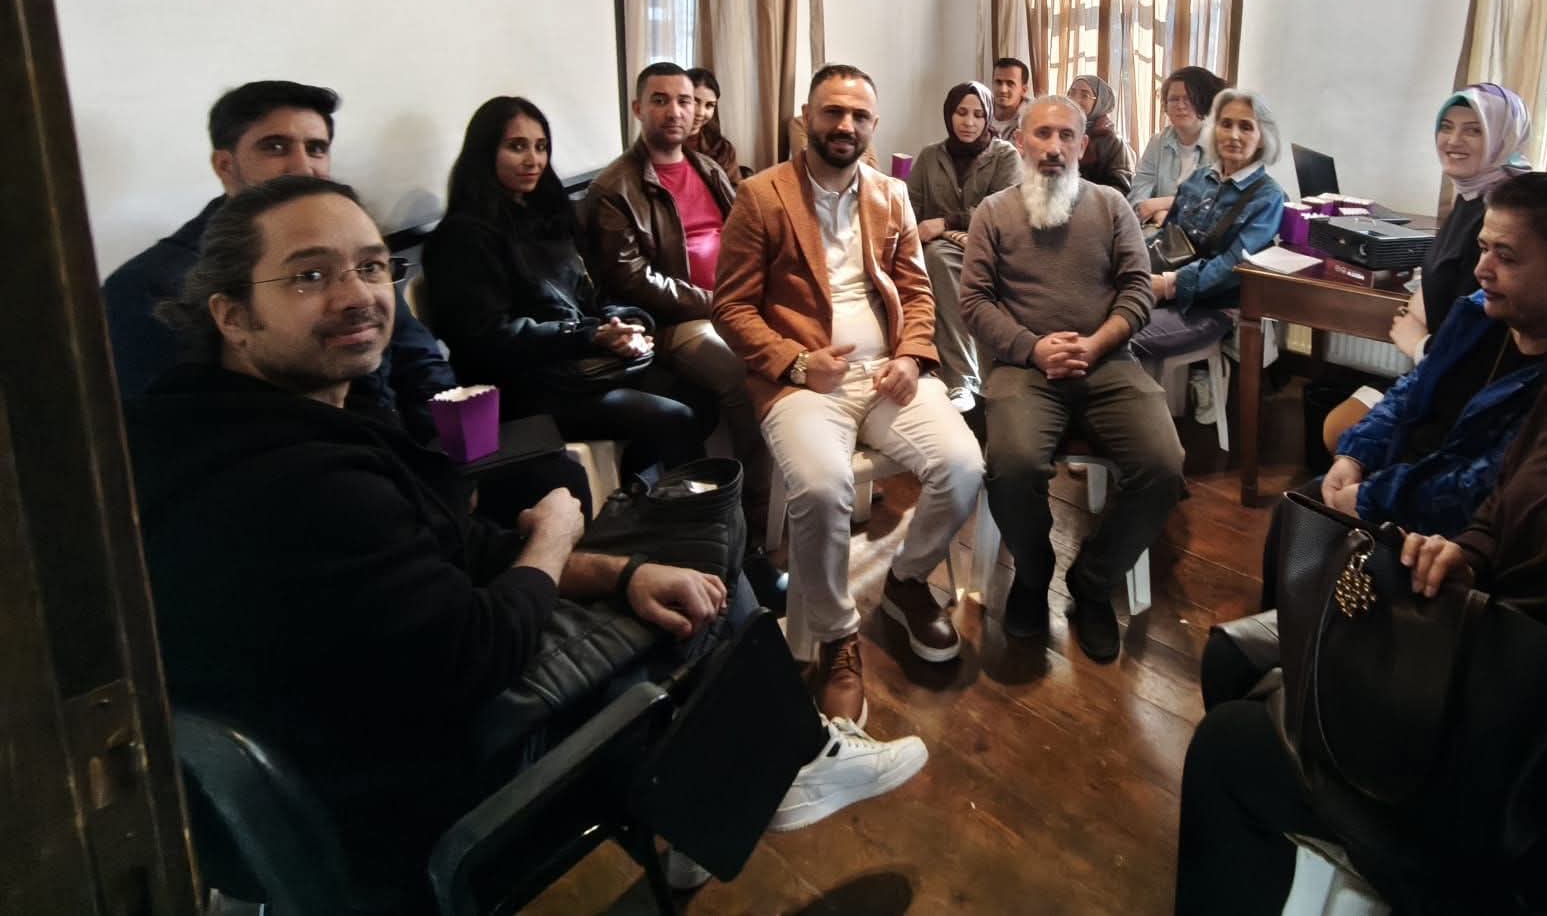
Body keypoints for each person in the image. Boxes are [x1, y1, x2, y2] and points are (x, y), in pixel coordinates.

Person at [127, 176, 928, 907]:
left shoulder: (218, 423)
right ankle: (779, 768)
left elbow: (443, 554)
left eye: (372, 267)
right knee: (716, 585)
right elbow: (475, 649)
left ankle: (723, 798)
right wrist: (552, 537)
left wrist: (618, 573)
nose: (358, 296)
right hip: (424, 799)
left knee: (684, 557)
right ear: (231, 314)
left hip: (355, 746)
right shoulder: (299, 480)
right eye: (310, 275)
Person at [1177, 152, 1547, 916]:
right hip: (1485, 701)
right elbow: (1493, 512)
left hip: (1539, 800)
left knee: (1231, 747)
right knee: (1252, 677)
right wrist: (1464, 553)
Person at [1208, 171, 1547, 700]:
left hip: (1439, 535)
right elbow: (1408, 391)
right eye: (1483, 248)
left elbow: (1480, 486)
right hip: (1390, 480)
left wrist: (1371, 498)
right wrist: (1354, 457)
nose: (1482, 269)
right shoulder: (1477, 315)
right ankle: (1293, 644)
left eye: (1507, 257)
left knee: (1313, 527)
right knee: (1295, 511)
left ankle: (1318, 671)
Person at [713, 65, 984, 724]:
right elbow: (731, 306)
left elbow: (917, 291)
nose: (845, 126)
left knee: (963, 466)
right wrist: (796, 362)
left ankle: (908, 580)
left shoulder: (891, 194)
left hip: (888, 373)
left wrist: (913, 356)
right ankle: (836, 637)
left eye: (859, 116)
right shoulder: (761, 196)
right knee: (821, 486)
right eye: (833, 112)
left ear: (874, 124)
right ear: (806, 117)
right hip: (804, 382)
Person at [961, 94, 1182, 662]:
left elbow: (1138, 290)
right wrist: (1032, 348)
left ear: (1084, 146)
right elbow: (975, 303)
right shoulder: (992, 213)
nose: (1054, 147)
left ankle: (1093, 580)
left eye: (1066, 136)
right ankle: (1033, 576)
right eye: (1042, 134)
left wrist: (1096, 343)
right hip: (1024, 370)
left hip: (1109, 363)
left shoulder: (1111, 206)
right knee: (1011, 465)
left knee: (1164, 465)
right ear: (1020, 141)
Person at [101, 80, 456, 428]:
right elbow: (175, 427)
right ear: (225, 165)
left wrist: (458, 442)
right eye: (275, 147)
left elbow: (419, 360)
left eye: (316, 148)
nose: (303, 167)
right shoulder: (147, 285)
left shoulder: (347, 244)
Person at [423, 96, 710, 483]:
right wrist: (589, 336)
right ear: (485, 151)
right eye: (517, 147)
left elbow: (593, 296)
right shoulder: (461, 237)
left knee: (702, 395)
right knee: (676, 418)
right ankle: (674, 513)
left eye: (541, 147)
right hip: (527, 389)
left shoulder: (546, 218)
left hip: (581, 369)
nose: (533, 160)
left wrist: (625, 323)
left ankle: (636, 488)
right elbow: (488, 339)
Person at [583, 62, 768, 534]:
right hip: (674, 323)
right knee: (743, 370)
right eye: (660, 100)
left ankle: (808, 480)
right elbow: (632, 280)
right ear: (638, 109)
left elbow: (749, 237)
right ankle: (753, 509)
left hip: (733, 301)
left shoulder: (707, 168)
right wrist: (714, 300)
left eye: (684, 101)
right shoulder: (615, 188)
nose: (675, 111)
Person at [1130, 88, 1287, 365]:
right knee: (1089, 316)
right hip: (1163, 288)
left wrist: (1167, 285)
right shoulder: (1200, 178)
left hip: (1214, 306)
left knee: (1121, 337)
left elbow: (1233, 266)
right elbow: (1167, 237)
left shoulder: (1269, 196)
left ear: (1263, 138)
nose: (1233, 135)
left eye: (1246, 127)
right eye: (1226, 124)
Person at [1390, 82, 1532, 362]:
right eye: (1446, 127)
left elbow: (1485, 332)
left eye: (1474, 130)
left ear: (1504, 137)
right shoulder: (1471, 195)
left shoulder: (1503, 212)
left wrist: (1419, 345)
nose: (1453, 141)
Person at [907, 80, 1024, 413]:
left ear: (988, 118)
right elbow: (910, 209)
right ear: (949, 114)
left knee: (938, 259)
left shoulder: (1005, 155)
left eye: (978, 114)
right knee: (924, 260)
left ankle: (961, 379)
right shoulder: (930, 156)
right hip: (938, 249)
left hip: (991, 249)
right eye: (961, 113)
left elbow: (1003, 210)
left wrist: (945, 222)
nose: (969, 122)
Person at [1129, 65, 1225, 227]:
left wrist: (1160, 204)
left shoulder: (1220, 144)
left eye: (1189, 99)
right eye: (1173, 99)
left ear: (1205, 102)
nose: (1180, 105)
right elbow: (1138, 197)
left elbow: (1215, 203)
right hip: (1157, 227)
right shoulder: (1158, 142)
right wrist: (1159, 214)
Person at [1066, 74, 1136, 192]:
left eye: (1084, 95)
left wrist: (1084, 197)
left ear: (1100, 102)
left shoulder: (1113, 141)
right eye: (1071, 93)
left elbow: (1121, 188)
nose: (1075, 100)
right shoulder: (1062, 132)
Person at [687, 65, 747, 182]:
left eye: (709, 105)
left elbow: (734, 189)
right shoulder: (661, 144)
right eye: (695, 101)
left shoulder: (722, 147)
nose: (701, 113)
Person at [991, 56, 1032, 144]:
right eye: (998, 82)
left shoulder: (1034, 117)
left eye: (1010, 83)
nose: (1003, 90)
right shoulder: (980, 110)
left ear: (1024, 90)